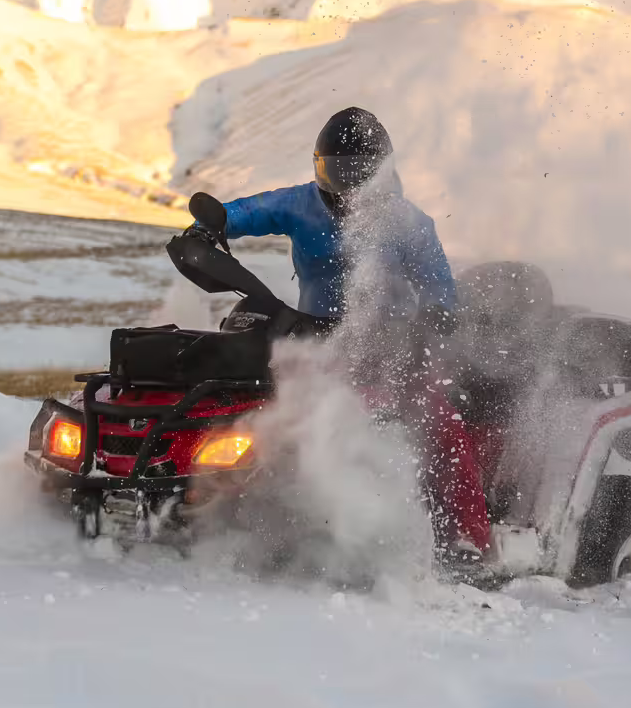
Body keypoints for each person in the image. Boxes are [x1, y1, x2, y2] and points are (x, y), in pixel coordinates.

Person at [187, 107, 496, 560]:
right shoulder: (300, 204)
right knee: (254, 413)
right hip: (309, 340)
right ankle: (231, 517)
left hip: (392, 347)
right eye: (339, 170)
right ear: (320, 167)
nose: (350, 183)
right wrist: (212, 222)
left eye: (362, 171)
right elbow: (247, 212)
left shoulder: (409, 223)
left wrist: (437, 316)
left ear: (382, 171)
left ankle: (472, 538)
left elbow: (439, 289)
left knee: (442, 423)